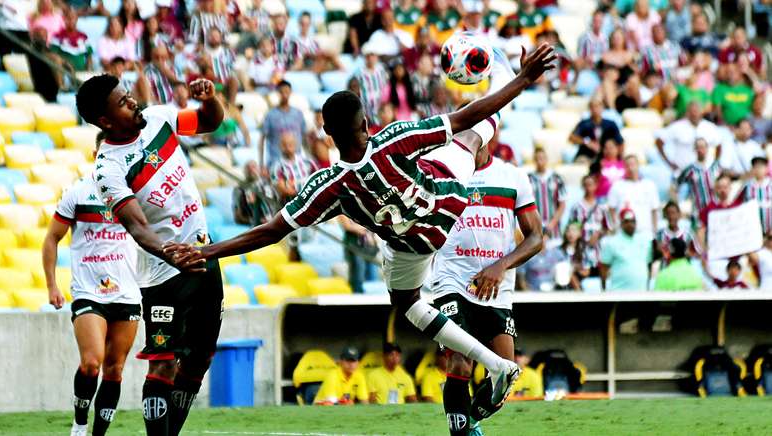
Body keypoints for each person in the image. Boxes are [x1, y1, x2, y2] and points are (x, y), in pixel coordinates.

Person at [165, 45, 559, 409]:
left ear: (325, 131)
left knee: (408, 305)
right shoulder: (392, 140)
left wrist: (205, 251)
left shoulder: (327, 186)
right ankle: (507, 70)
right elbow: (464, 116)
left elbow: (268, 232)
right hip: (446, 204)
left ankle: (494, 364)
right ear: (366, 122)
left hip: (410, 246)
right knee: (472, 135)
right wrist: (523, 80)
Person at [76, 74, 225, 436]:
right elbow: (137, 226)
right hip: (163, 276)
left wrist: (209, 100)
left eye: (129, 95)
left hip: (204, 256)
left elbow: (209, 122)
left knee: (199, 361)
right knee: (162, 366)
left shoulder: (159, 118)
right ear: (105, 121)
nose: (133, 102)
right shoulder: (108, 169)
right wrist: (171, 254)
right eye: (123, 102)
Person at [428, 139, 541, 434]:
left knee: (505, 373)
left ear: (487, 135)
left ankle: (470, 422)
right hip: (453, 280)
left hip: (497, 288)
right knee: (459, 363)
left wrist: (501, 266)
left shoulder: (512, 176)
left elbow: (535, 238)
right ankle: (461, 432)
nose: (464, 143)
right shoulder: (442, 174)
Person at [42, 139, 141, 436]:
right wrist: (52, 286)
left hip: (128, 293)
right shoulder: (78, 191)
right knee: (91, 362)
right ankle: (79, 424)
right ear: (95, 154)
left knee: (115, 369)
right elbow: (51, 239)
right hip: (89, 292)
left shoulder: (135, 195)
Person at [655, 101, 721, 172]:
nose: (694, 114)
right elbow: (659, 141)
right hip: (683, 173)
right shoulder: (677, 126)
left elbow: (719, 145)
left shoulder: (710, 127)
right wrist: (669, 163)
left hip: (705, 172)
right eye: (691, 111)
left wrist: (715, 164)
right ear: (687, 113)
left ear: (701, 112)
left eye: (696, 111)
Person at [569, 175, 614, 277]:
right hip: (581, 250)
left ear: (596, 186)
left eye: (591, 185)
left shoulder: (602, 207)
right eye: (586, 185)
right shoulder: (576, 207)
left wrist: (598, 234)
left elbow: (609, 229)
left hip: (599, 250)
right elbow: (571, 227)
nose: (588, 187)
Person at [607, 155, 660, 240]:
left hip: (645, 232)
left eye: (633, 164)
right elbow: (611, 208)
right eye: (627, 166)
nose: (631, 168)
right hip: (624, 233)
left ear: (638, 165)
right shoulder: (617, 186)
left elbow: (654, 210)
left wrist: (655, 231)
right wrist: (616, 227)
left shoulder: (649, 185)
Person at [600, 208, 652, 291]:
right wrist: (603, 289)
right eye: (627, 221)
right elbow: (603, 268)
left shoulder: (645, 242)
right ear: (621, 224)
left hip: (641, 293)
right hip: (619, 293)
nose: (630, 224)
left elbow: (649, 265)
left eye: (633, 221)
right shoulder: (612, 242)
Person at [259, 80, 306, 170]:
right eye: (281, 92)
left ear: (291, 93)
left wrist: (308, 156)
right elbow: (262, 140)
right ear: (277, 93)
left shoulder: (298, 113)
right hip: (276, 162)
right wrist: (262, 165)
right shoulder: (270, 115)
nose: (284, 95)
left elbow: (304, 137)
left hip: (296, 162)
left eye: (287, 92)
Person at [676, 138, 720, 222]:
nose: (701, 150)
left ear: (707, 148)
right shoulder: (690, 169)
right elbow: (675, 185)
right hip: (698, 213)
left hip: (716, 211)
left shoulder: (716, 166)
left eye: (703, 147)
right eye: (698, 147)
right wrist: (679, 204)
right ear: (695, 150)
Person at [569, 98, 624, 163]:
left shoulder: (610, 124)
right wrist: (587, 142)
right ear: (590, 109)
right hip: (587, 155)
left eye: (597, 106)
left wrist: (618, 157)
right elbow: (572, 137)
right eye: (592, 107)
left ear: (602, 107)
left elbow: (620, 142)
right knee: (581, 162)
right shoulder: (584, 124)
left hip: (606, 156)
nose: (595, 109)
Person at [528, 148, 566, 238]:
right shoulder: (528, 179)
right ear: (534, 160)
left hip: (554, 229)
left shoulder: (557, 178)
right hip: (535, 228)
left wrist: (552, 224)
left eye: (542, 158)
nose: (539, 161)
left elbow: (562, 205)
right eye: (537, 159)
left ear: (546, 159)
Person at [339, 215, 379, 294]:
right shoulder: (344, 211)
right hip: (353, 246)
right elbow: (348, 226)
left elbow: (374, 225)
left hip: (369, 247)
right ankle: (357, 296)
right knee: (357, 275)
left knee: (372, 274)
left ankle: (371, 297)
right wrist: (365, 228)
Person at [234, 160, 278, 227]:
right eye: (248, 168)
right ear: (244, 172)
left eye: (254, 167)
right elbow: (238, 217)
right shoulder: (239, 190)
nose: (251, 170)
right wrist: (258, 221)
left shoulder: (267, 185)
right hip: (257, 224)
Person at [354, 43, 389, 124]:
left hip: (381, 109)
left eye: (372, 55)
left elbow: (386, 87)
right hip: (366, 110)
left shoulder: (381, 70)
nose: (370, 58)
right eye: (368, 56)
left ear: (376, 56)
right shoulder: (358, 73)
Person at [738, 156, 772, 235]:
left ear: (766, 168)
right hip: (752, 230)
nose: (759, 170)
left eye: (761, 167)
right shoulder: (747, 186)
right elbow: (741, 204)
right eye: (756, 167)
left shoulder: (770, 184)